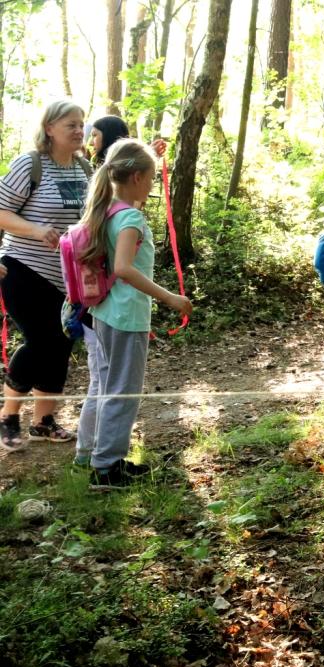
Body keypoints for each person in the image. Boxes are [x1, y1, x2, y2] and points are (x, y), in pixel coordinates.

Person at [75, 138, 192, 489]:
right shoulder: (130, 218)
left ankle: (95, 456)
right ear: (138, 177)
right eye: (151, 177)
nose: (153, 184)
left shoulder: (107, 209)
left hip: (104, 313)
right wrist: (170, 298)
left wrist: (148, 154)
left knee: (107, 386)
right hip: (126, 317)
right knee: (123, 391)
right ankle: (106, 469)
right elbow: (124, 268)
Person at [0, 100, 93, 451]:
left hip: (68, 277)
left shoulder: (84, 168)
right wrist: (37, 230)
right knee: (41, 341)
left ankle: (43, 421)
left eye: (81, 124)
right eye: (71, 124)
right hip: (23, 268)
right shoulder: (30, 164)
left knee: (61, 343)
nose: (79, 130)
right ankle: (8, 416)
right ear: (50, 128)